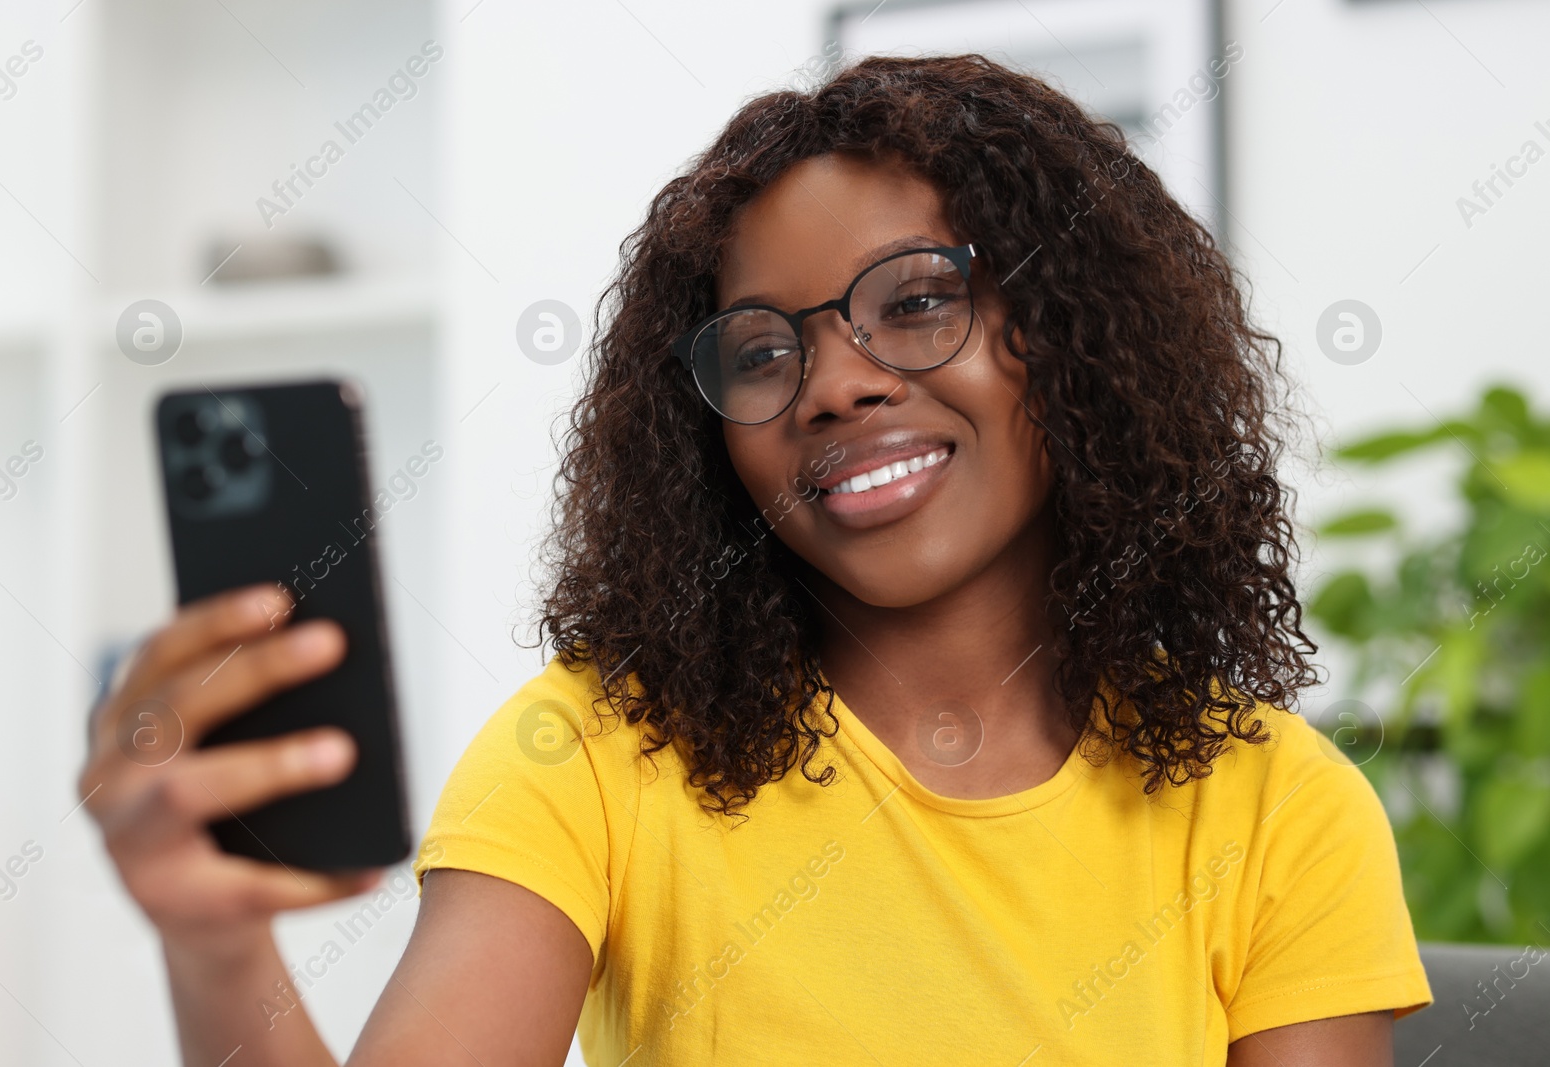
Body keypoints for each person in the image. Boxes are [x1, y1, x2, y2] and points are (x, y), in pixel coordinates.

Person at [79, 53, 1432, 1066]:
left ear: (1075, 337)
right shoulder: (599, 757)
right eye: (763, 351)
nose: (832, 386)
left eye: (914, 303)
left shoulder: (1279, 812)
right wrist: (217, 948)